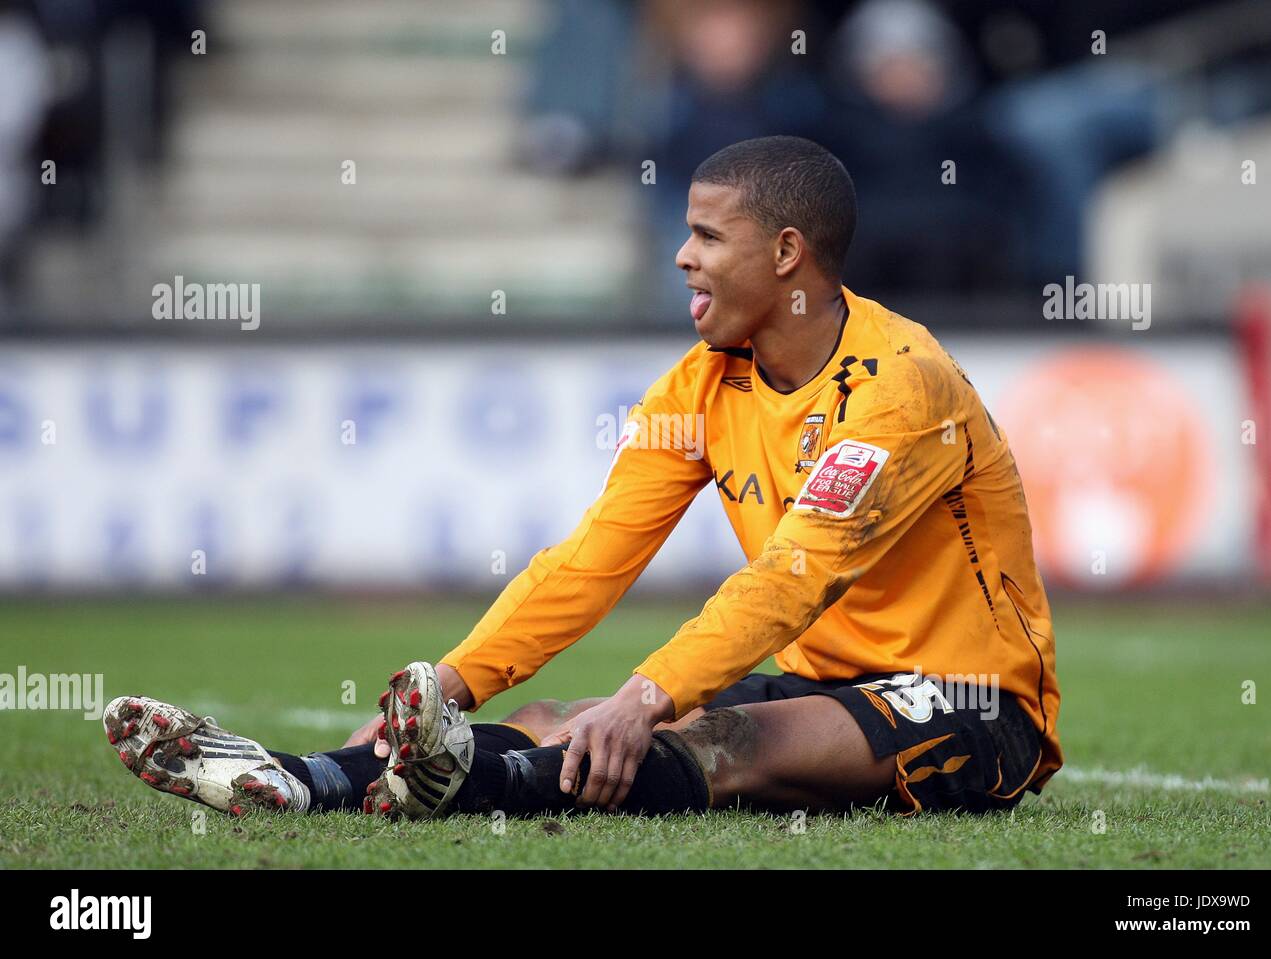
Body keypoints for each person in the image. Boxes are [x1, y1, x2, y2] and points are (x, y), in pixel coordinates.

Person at [104, 136, 1061, 820]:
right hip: (825, 681)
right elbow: (590, 561)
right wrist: (449, 685)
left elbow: (792, 579)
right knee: (552, 717)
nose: (682, 253)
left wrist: (646, 695)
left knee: (718, 745)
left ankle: (455, 790)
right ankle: (298, 779)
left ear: (785, 255)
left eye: (707, 235)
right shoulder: (698, 386)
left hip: (974, 699)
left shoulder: (900, 385)